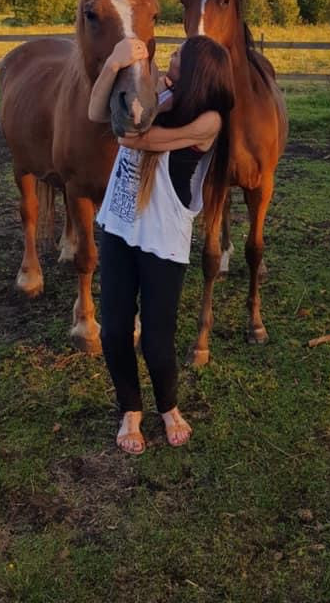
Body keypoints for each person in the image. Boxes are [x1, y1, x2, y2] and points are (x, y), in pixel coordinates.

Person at [88, 35, 235, 454]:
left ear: (198, 73)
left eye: (180, 55)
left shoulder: (209, 122)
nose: (171, 54)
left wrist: (139, 105)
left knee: (156, 339)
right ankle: (130, 410)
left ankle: (168, 407)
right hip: (119, 226)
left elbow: (134, 138)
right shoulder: (157, 94)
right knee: (114, 329)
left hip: (164, 239)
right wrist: (114, 63)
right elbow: (95, 112)